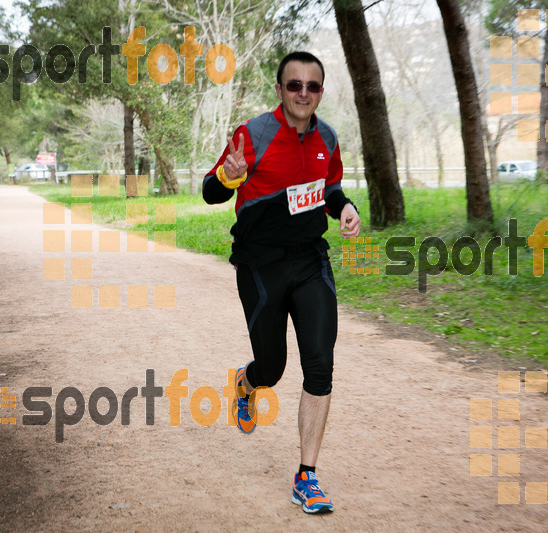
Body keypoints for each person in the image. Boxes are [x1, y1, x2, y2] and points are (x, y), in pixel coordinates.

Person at [202, 51, 360, 514]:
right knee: (273, 367)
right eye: (295, 85)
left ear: (321, 92)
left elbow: (329, 188)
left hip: (311, 261)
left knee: (320, 366)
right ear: (280, 90)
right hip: (260, 266)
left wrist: (344, 207)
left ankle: (306, 477)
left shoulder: (327, 136)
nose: (303, 94)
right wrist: (228, 179)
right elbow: (212, 190)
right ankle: (247, 382)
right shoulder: (253, 135)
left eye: (312, 86)